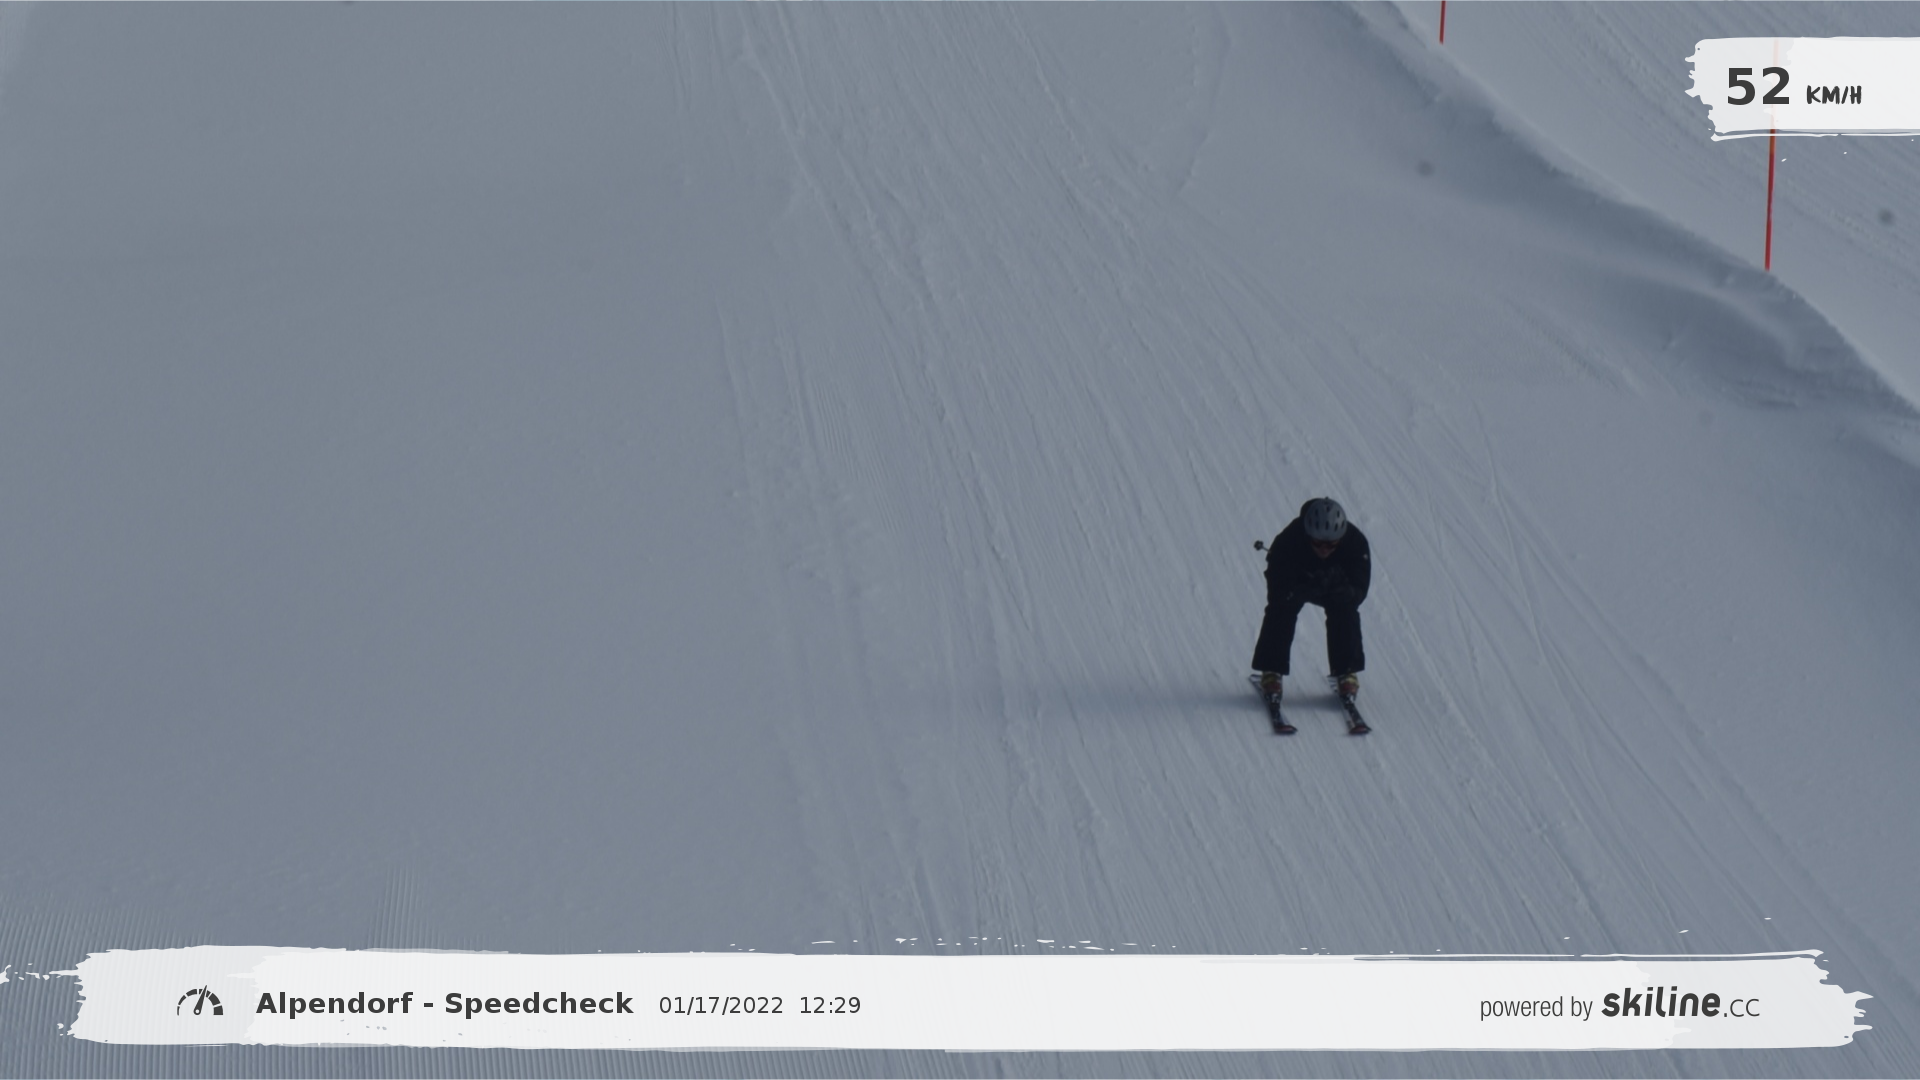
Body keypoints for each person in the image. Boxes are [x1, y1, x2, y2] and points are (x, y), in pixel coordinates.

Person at [1252, 497, 1370, 702]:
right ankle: (1271, 669)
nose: (1324, 549)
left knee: (1345, 610)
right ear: (1308, 535)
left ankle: (1346, 671)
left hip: (1335, 589)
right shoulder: (1289, 540)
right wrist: (1298, 587)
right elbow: (1276, 588)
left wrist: (1344, 590)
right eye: (1317, 543)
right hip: (1299, 583)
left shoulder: (1355, 543)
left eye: (1331, 544)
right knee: (1281, 610)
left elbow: (1359, 589)